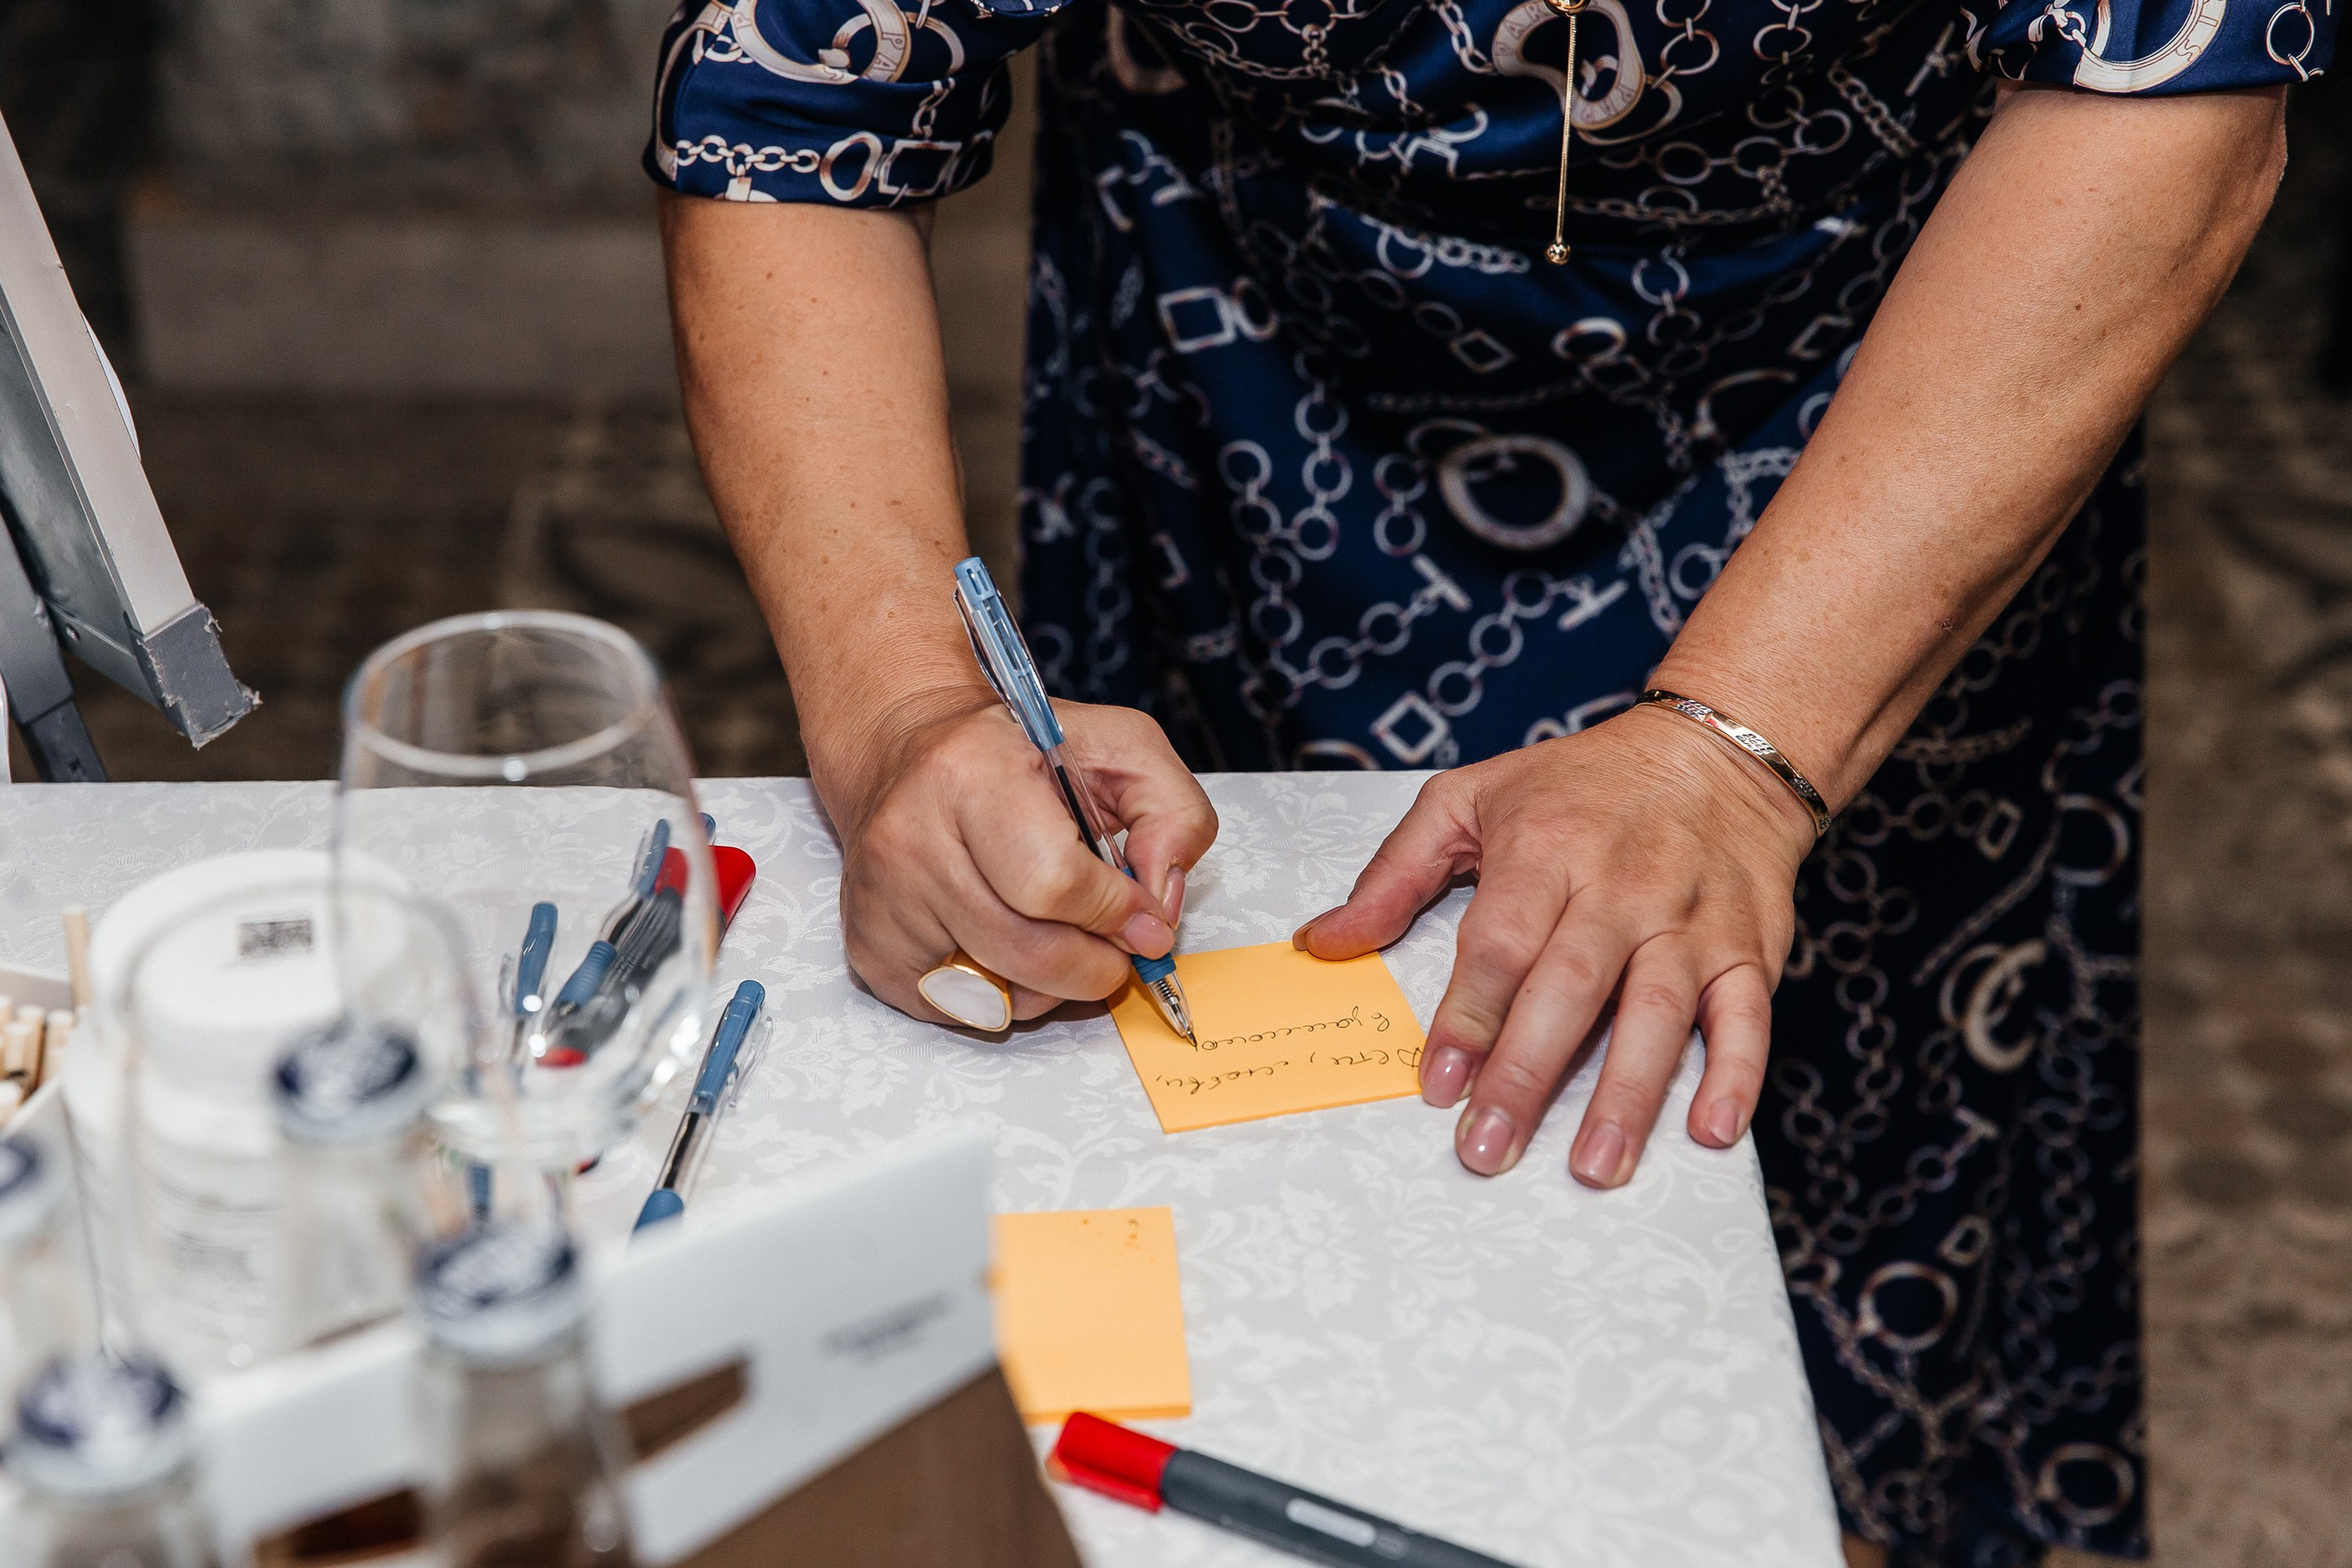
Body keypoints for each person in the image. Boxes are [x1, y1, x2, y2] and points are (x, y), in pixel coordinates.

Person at [647, 0, 2329, 1552]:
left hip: (1894, 394)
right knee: (1227, 1197)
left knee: (1838, 1192)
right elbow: (796, 90)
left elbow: (2170, 65)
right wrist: (903, 709)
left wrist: (1742, 751)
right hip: (1247, 386)